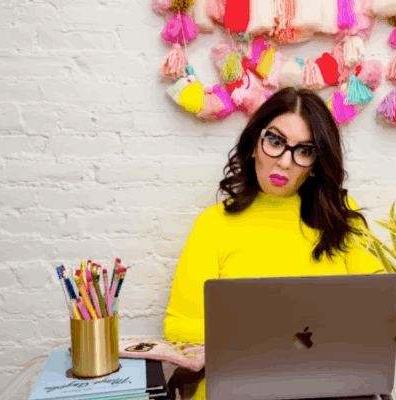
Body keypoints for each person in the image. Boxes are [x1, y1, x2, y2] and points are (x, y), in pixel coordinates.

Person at [163, 87, 383, 400]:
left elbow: (379, 310)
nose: (284, 163)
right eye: (276, 142)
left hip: (328, 390)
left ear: (315, 164)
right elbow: (179, 328)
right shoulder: (213, 224)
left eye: (303, 151)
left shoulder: (340, 221)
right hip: (237, 389)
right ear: (255, 143)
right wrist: (267, 339)